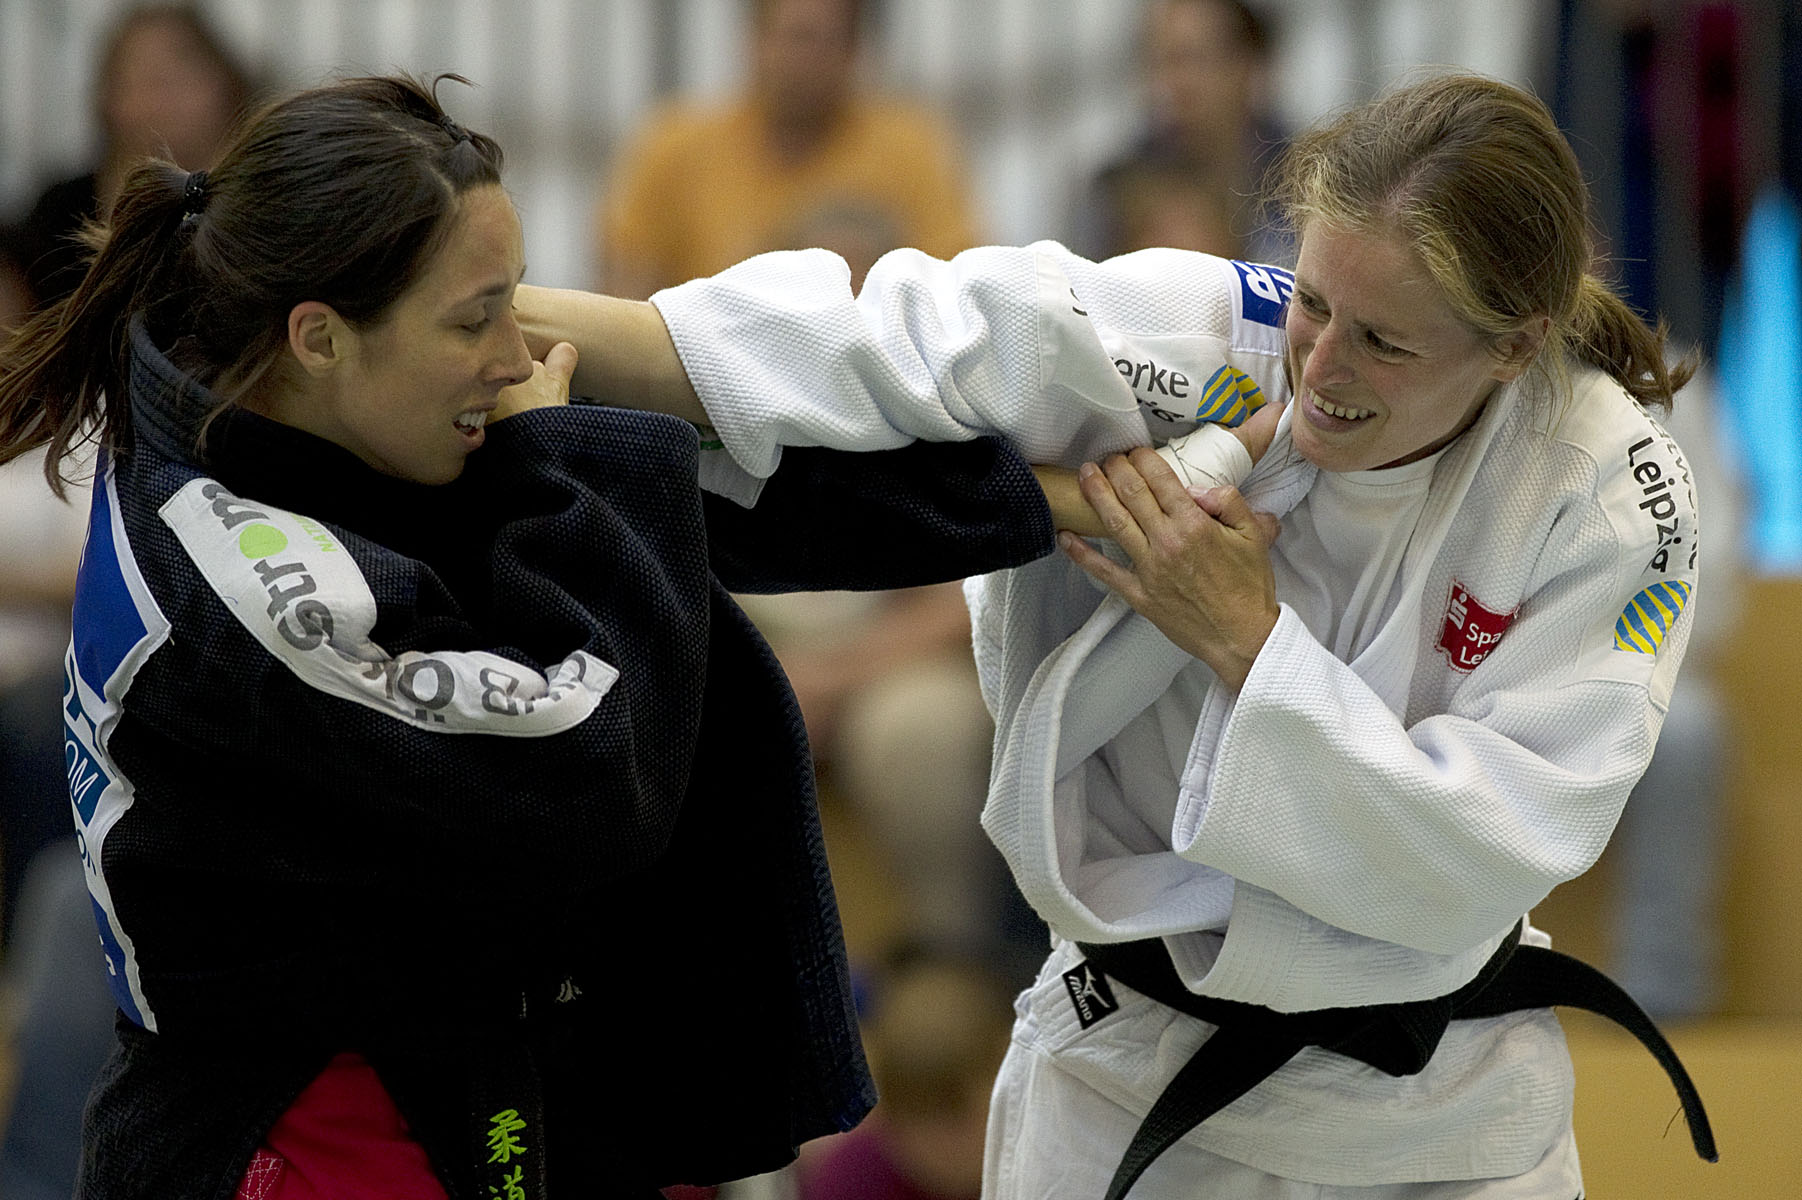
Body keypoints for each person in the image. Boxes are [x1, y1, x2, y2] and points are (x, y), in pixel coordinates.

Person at [516, 71, 1713, 1198]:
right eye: (1312, 302)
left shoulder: (1603, 489)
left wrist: (1245, 642)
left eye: (1385, 343)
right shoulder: (1208, 342)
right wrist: (484, 318)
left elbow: (1489, 840)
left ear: (1515, 344)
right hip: (1126, 1068)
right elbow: (878, 340)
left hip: (1438, 1121)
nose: (1321, 369)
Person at [0, 73, 1068, 1200]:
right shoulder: (251, 583)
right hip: (317, 1132)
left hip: (461, 1084)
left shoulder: (279, 406)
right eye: (476, 318)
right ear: (319, 336)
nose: (516, 357)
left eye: (516, 303)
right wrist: (562, 465)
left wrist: (1050, 497)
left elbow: (703, 488)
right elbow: (594, 765)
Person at [595, 0, 978, 298]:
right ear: (754, 37)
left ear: (858, 48)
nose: (810, 59)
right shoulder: (673, 148)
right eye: (798, 36)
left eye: (831, 39)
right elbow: (625, 293)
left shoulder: (911, 150)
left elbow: (950, 291)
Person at [17, 2, 255, 308]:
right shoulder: (61, 214)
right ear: (109, 100)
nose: (162, 102)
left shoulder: (264, 202)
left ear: (226, 85)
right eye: (144, 82)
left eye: (178, 80)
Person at [1072, 0, 1289, 263]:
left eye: (1193, 59)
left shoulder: (1300, 181)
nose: (1176, 82)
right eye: (1162, 61)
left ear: (1247, 65)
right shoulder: (1119, 186)